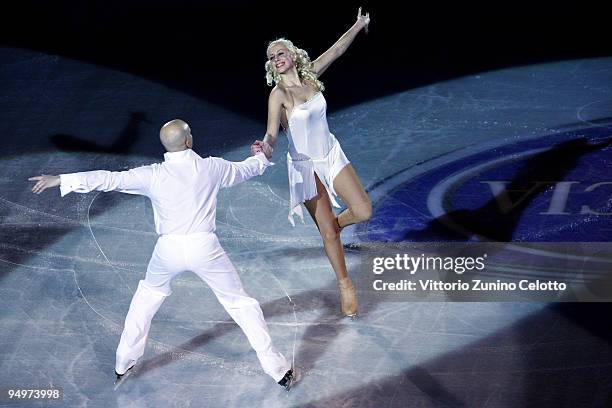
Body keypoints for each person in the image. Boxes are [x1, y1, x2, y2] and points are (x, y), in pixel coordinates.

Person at [29, 119, 294, 388]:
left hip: (168, 250)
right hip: (205, 248)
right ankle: (278, 369)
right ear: (189, 141)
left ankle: (124, 361)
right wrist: (261, 157)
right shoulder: (211, 166)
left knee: (147, 296)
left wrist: (62, 179)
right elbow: (244, 170)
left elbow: (109, 179)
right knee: (240, 303)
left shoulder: (152, 174)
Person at [252, 8, 372, 317]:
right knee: (327, 234)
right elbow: (271, 133)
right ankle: (345, 284)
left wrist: (358, 24)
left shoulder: (311, 77)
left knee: (362, 210)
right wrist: (265, 147)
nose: (276, 57)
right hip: (304, 166)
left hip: (330, 154)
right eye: (271, 56)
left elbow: (337, 49)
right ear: (271, 65)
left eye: (280, 52)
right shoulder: (278, 95)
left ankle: (335, 223)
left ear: (292, 55)